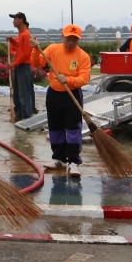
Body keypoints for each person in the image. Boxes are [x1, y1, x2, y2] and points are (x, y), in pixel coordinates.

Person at [33, 25, 92, 171]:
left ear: (78, 40)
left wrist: (69, 80)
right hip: (54, 94)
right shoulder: (53, 49)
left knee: (72, 130)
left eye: (74, 39)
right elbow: (38, 62)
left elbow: (84, 78)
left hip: (72, 96)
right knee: (55, 128)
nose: (70, 42)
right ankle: (59, 158)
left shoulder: (83, 56)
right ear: (62, 37)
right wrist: (35, 49)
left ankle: (73, 161)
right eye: (68, 38)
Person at [6, 12, 36, 121]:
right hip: (18, 67)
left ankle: (27, 116)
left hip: (24, 67)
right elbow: (19, 47)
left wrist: (13, 64)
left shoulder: (26, 34)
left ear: (21, 20)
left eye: (15, 19)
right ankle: (19, 114)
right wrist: (12, 41)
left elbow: (25, 54)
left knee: (24, 93)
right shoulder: (21, 34)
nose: (13, 21)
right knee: (17, 93)